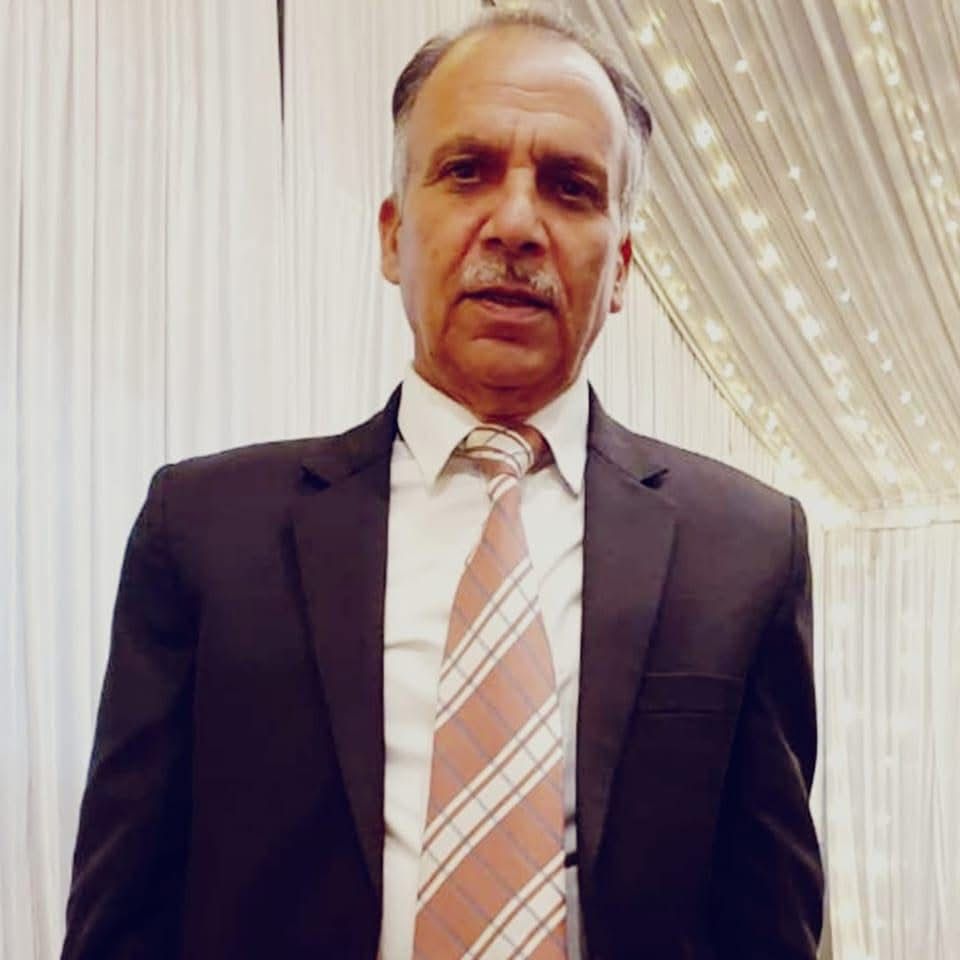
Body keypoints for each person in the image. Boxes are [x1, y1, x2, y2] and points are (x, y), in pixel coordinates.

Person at [62, 8, 823, 959]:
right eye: (466, 171)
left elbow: (769, 926)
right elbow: (122, 916)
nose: (517, 224)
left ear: (622, 266)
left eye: (571, 187)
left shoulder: (745, 549)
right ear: (392, 236)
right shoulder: (206, 532)